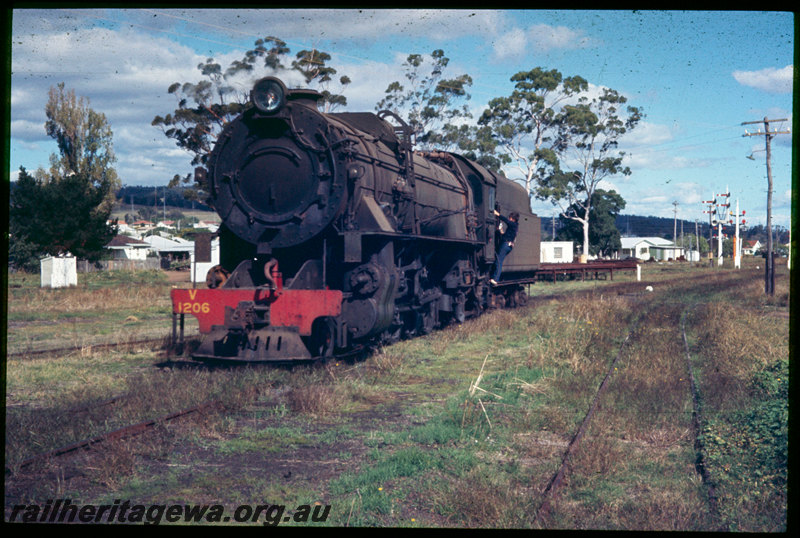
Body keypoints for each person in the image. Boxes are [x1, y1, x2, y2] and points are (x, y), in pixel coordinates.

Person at [490, 209, 519, 285]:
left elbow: (507, 221)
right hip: (508, 244)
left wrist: (498, 214)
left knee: (499, 261)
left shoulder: (513, 224)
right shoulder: (514, 227)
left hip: (506, 245)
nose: (509, 219)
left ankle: (495, 279)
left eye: (510, 218)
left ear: (513, 219)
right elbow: (506, 235)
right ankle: (493, 277)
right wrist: (501, 231)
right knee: (498, 260)